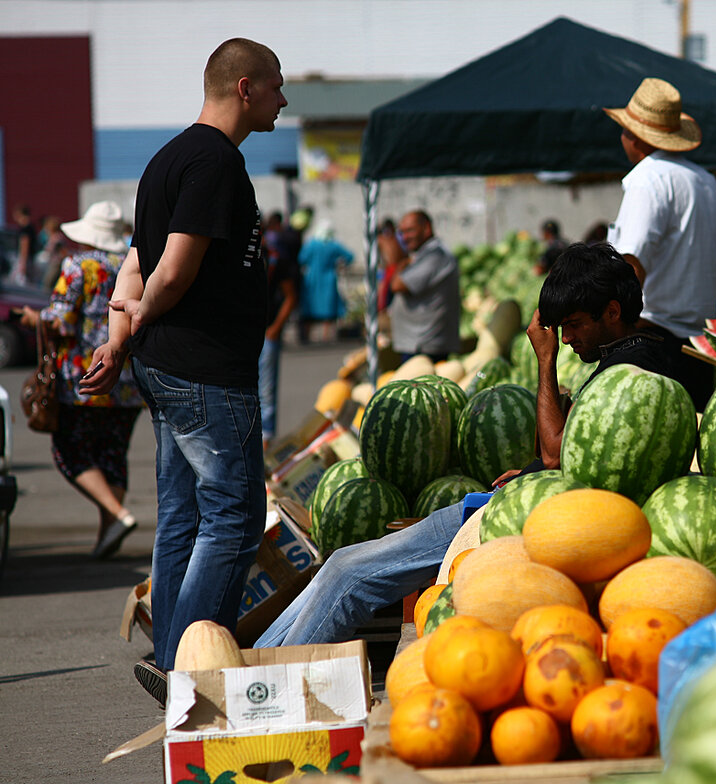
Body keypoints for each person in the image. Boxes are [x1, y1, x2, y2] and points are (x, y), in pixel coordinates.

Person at [255, 242, 688, 647]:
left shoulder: (629, 369)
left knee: (350, 572)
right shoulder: (644, 349)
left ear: (612, 312)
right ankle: (254, 662)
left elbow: (555, 454)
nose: (567, 338)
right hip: (526, 504)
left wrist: (545, 359)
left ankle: (264, 682)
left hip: (526, 521)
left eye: (574, 325)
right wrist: (534, 472)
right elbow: (557, 456)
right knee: (340, 567)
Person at [80, 37, 287, 701]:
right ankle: (188, 669)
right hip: (204, 370)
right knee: (233, 517)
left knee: (182, 519)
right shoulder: (214, 163)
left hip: (170, 368)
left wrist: (119, 342)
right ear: (246, 88)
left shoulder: (167, 159)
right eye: (278, 85)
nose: (286, 99)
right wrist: (138, 319)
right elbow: (168, 269)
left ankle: (171, 655)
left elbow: (134, 262)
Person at [604, 77, 716, 408]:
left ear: (637, 137)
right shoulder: (706, 181)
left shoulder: (647, 179)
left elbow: (632, 263)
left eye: (625, 129)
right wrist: (701, 296)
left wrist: (621, 331)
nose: (622, 136)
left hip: (652, 338)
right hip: (699, 345)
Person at [19, 201, 143, 559]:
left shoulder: (78, 266)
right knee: (112, 453)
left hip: (82, 377)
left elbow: (60, 320)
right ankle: (109, 530)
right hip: (128, 378)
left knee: (69, 451)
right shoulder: (133, 264)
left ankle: (118, 515)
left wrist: (32, 319)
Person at [387, 210, 460, 363]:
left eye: (410, 231)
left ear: (426, 228)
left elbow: (397, 285)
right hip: (416, 344)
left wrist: (401, 261)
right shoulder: (423, 255)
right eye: (402, 233)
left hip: (424, 346)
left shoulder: (436, 256)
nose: (405, 237)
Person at [259, 211, 299, 450]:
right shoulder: (230, 257)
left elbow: (291, 297)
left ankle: (265, 442)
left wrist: (275, 328)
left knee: (266, 390)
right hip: (240, 336)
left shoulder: (274, 258)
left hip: (266, 334)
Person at [298, 219, 351, 343]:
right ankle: (326, 336)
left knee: (310, 307)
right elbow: (349, 256)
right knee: (328, 307)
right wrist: (339, 265)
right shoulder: (333, 244)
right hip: (328, 278)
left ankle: (307, 335)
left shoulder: (312, 244)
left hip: (313, 279)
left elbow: (301, 259)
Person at [11, 203, 37, 284]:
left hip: (25, 259)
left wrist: (23, 263)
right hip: (31, 258)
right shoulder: (31, 227)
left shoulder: (25, 229)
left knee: (19, 283)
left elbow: (24, 245)